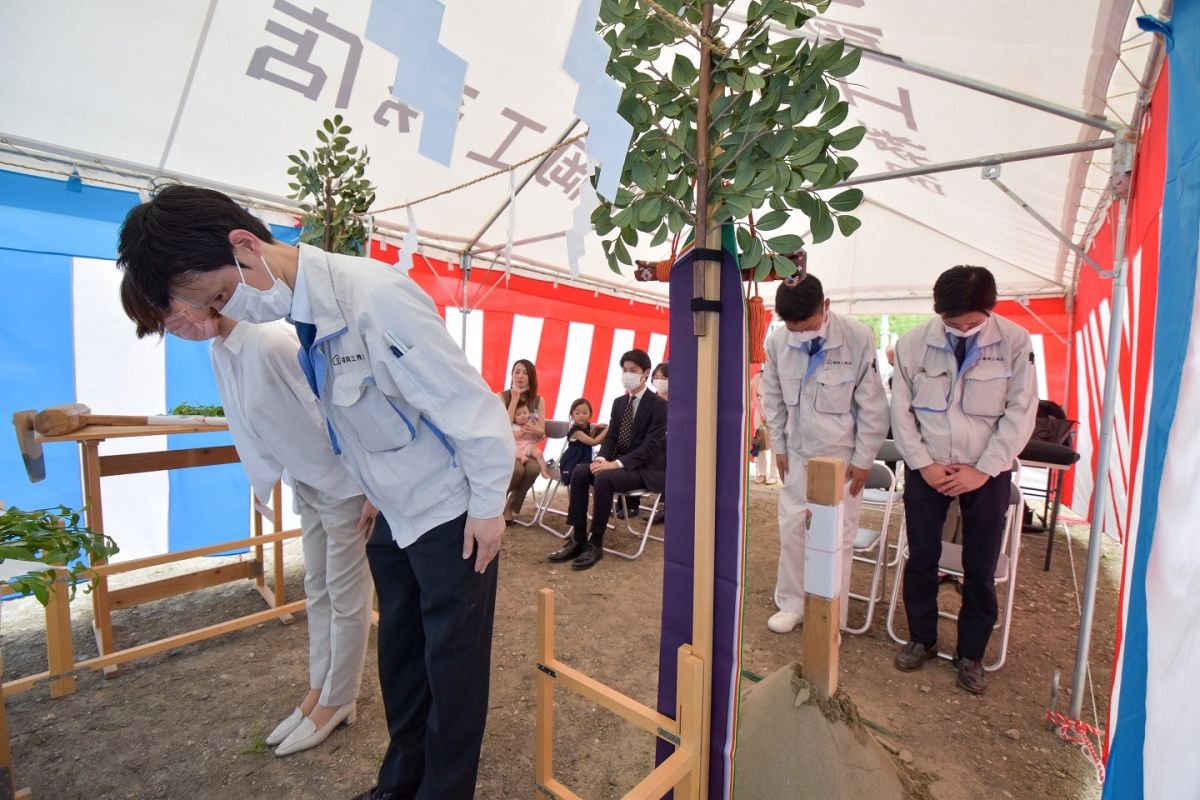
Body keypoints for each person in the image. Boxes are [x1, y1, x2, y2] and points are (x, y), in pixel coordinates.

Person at [116, 185, 513, 800]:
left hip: (448, 512)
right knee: (402, 662)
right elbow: (360, 417)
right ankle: (398, 785)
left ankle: (445, 790)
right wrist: (375, 489)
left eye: (221, 295)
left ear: (245, 246)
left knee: (452, 671)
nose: (223, 311)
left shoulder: (375, 298)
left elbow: (470, 407)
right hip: (390, 511)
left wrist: (489, 507)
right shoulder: (302, 313)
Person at [118, 277, 373, 758]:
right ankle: (322, 690)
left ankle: (340, 697)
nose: (175, 330)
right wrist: (270, 483)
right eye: (163, 326)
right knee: (317, 589)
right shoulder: (224, 349)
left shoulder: (270, 340)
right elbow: (246, 423)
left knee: (346, 595)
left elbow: (334, 413)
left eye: (169, 317)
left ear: (189, 297)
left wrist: (371, 484)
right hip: (310, 482)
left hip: (345, 485)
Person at [890, 265, 1037, 695]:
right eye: (952, 322)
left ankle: (970, 654)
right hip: (927, 468)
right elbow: (901, 412)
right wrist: (924, 464)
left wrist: (983, 469)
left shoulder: (1013, 342)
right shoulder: (914, 342)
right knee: (921, 558)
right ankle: (921, 638)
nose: (962, 329)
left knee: (980, 566)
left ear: (989, 310)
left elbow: (1021, 411)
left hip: (985, 472)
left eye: (972, 322)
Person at [760, 270, 889, 634]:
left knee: (836, 536)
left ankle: (831, 610)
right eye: (792, 327)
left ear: (826, 306)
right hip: (798, 454)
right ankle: (792, 603)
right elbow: (772, 396)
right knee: (792, 529)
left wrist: (864, 460)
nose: (800, 333)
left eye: (807, 325)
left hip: (841, 458)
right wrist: (780, 446)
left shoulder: (858, 338)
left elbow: (873, 407)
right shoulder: (777, 342)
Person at [548, 349, 667, 570]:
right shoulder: (619, 403)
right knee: (581, 471)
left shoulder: (659, 406)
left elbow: (651, 446)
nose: (627, 374)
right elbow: (611, 437)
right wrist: (601, 457)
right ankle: (578, 538)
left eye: (633, 370)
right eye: (625, 370)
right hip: (619, 465)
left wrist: (615, 464)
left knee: (604, 479)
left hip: (646, 469)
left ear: (645, 373)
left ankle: (596, 543)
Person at [499, 360, 545, 525]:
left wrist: (534, 431)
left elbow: (542, 433)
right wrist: (514, 399)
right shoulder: (501, 396)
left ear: (531, 377)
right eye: (517, 371)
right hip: (506, 448)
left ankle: (509, 507)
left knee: (533, 469)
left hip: (526, 448)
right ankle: (495, 504)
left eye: (525, 373)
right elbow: (502, 425)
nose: (520, 376)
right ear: (511, 374)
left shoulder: (537, 401)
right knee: (517, 470)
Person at [557, 398, 606, 487]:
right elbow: (593, 442)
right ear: (572, 415)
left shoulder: (586, 427)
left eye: (584, 413)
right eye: (577, 413)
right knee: (583, 479)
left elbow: (587, 439)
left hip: (583, 461)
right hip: (572, 462)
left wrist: (595, 428)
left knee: (598, 477)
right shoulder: (575, 431)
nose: (581, 416)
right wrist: (607, 429)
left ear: (590, 415)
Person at [749, 369, 778, 485]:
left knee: (775, 444)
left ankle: (773, 474)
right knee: (760, 443)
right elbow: (754, 396)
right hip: (761, 408)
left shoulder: (778, 373)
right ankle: (761, 474)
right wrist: (762, 413)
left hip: (775, 409)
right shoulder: (758, 375)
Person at [512, 401, 552, 480]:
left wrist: (534, 430)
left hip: (528, 446)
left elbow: (539, 437)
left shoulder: (532, 424)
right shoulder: (514, 426)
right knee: (511, 452)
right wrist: (522, 431)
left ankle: (543, 471)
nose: (522, 416)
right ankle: (521, 457)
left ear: (529, 414)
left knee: (539, 453)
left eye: (525, 413)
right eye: (518, 414)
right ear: (514, 418)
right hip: (516, 447)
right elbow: (513, 437)